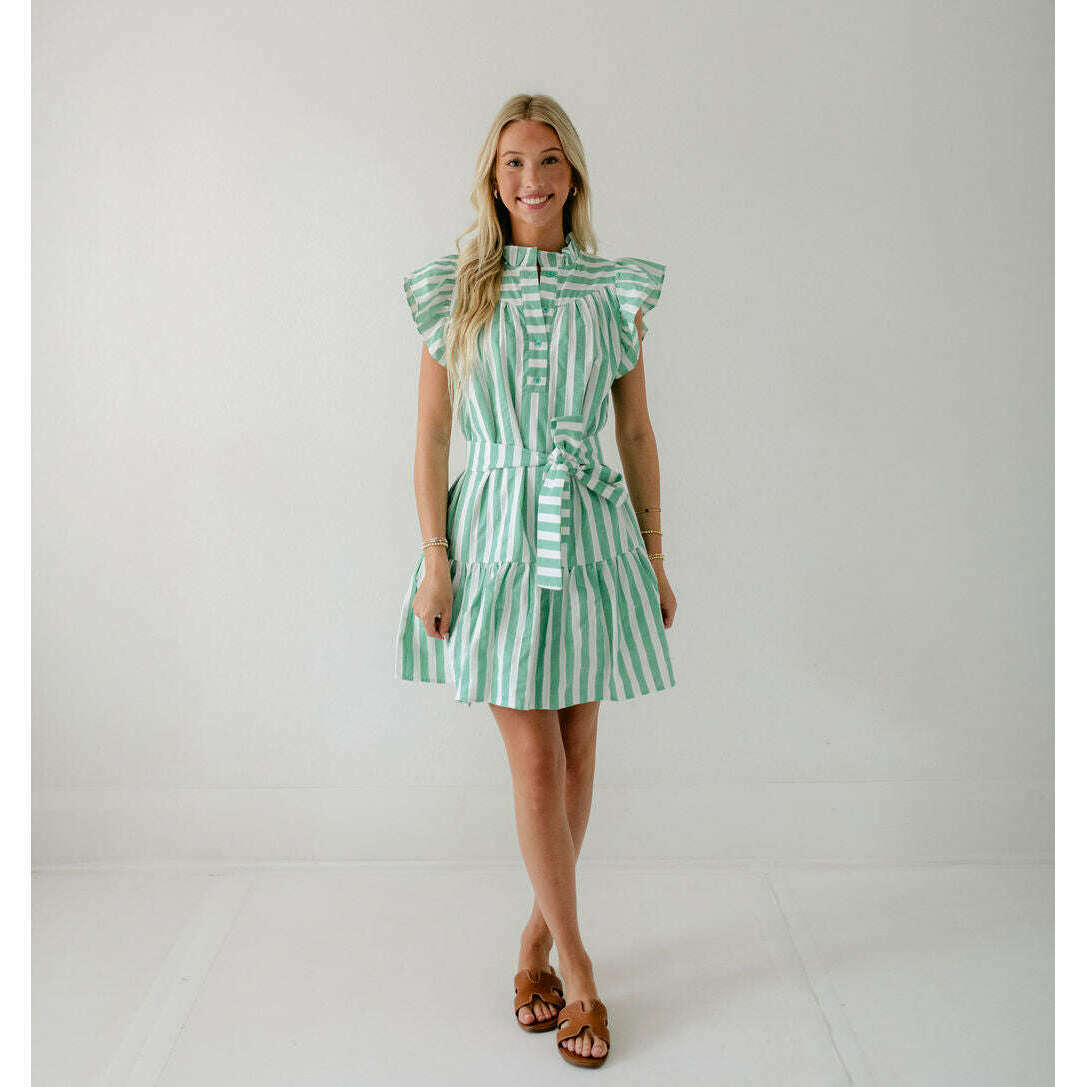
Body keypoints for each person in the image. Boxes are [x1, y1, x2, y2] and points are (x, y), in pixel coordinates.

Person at [393, 93, 678, 1069]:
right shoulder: (455, 288)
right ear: (492, 177)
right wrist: (435, 557)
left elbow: (633, 430)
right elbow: (432, 435)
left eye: (548, 159)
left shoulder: (612, 290)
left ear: (573, 174)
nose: (531, 179)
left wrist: (653, 553)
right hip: (495, 536)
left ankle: (531, 948)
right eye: (513, 162)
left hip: (590, 532)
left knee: (579, 754)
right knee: (536, 763)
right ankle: (581, 973)